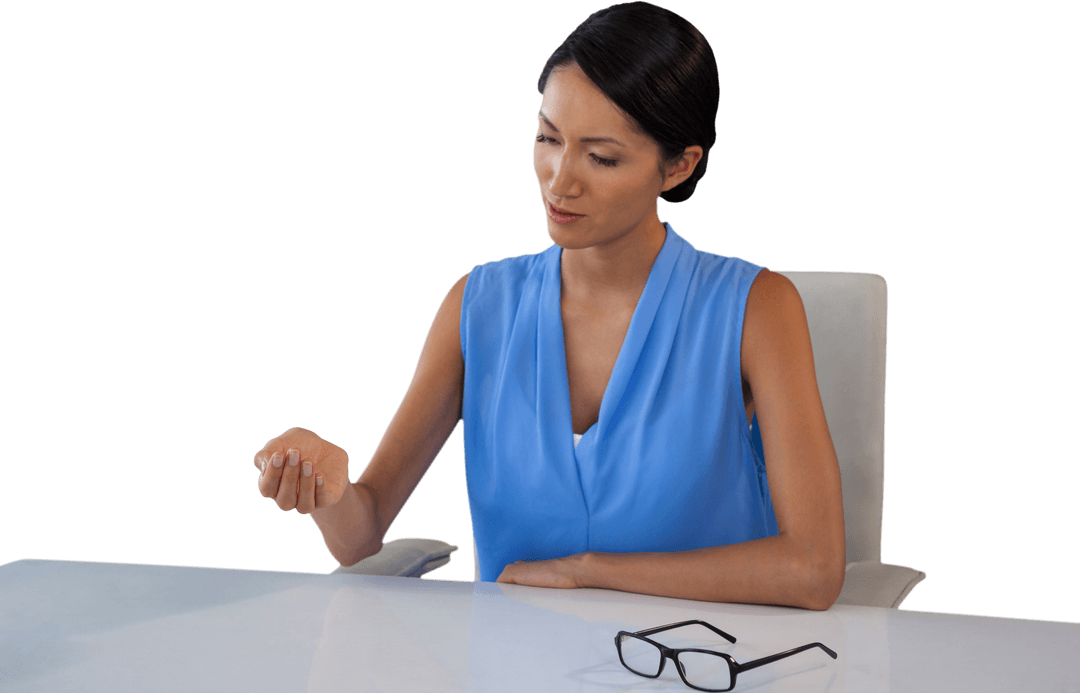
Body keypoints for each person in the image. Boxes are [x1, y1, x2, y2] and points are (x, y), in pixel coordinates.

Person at [252, 1, 846, 611]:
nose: (560, 180)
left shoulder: (757, 308)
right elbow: (364, 530)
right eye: (547, 137)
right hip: (516, 667)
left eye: (602, 156)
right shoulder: (476, 306)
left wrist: (591, 573)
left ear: (678, 166)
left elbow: (814, 568)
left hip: (698, 663)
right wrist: (328, 495)